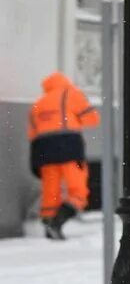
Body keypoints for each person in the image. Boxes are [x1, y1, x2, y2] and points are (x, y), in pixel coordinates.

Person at [28, 71, 99, 239]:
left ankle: (49, 226)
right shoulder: (71, 94)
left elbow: (32, 135)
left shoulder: (38, 103)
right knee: (78, 191)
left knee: (50, 191)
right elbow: (93, 119)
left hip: (43, 152)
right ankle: (58, 221)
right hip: (69, 148)